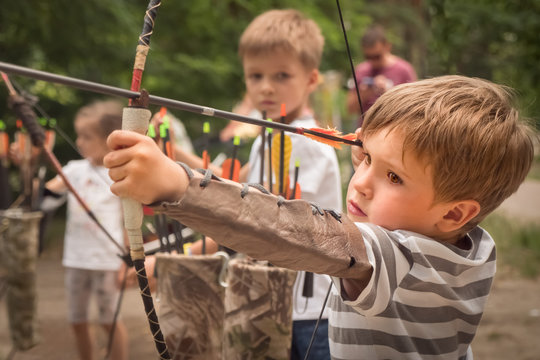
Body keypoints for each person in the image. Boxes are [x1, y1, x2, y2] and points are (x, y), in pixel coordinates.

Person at [104, 75, 534, 359]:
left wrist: (176, 185)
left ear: (456, 211)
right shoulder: (473, 245)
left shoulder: (403, 256)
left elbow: (300, 233)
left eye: (393, 177)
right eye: (363, 158)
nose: (362, 182)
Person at [164, 9, 339, 359]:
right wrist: (172, 158)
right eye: (255, 76)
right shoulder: (266, 138)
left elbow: (262, 217)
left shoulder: (307, 143)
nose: (266, 87)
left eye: (282, 75)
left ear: (311, 79)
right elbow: (236, 186)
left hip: (309, 309)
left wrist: (187, 256)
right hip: (273, 296)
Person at [45, 100, 129, 360]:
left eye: (86, 136)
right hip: (77, 260)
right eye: (78, 135)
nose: (79, 142)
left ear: (109, 140)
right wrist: (42, 153)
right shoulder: (73, 170)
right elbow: (45, 200)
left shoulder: (120, 174)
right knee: (77, 321)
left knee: (110, 322)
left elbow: (129, 222)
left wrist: (126, 262)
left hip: (107, 262)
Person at [346, 24, 417, 126]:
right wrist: (366, 93)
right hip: (366, 132)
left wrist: (389, 93)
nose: (373, 61)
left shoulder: (404, 70)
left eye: (377, 56)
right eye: (368, 57)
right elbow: (350, 109)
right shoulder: (361, 71)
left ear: (387, 47)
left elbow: (414, 108)